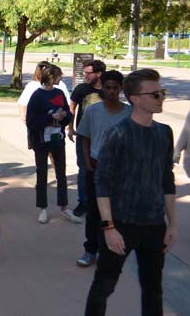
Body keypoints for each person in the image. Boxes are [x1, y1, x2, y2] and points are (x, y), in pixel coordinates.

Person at [85, 69, 177, 316]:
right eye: (155, 93)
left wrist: (172, 223)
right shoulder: (118, 133)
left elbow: (167, 179)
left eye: (162, 92)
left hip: (155, 225)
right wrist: (109, 227)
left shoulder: (164, 132)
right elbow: (101, 182)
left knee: (153, 289)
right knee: (104, 286)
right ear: (135, 98)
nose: (161, 98)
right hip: (121, 225)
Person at [75, 70, 130, 268]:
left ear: (121, 89)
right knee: (94, 212)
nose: (111, 91)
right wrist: (88, 164)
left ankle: (113, 250)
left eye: (115, 88)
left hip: (120, 170)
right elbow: (85, 137)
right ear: (103, 88)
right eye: (108, 87)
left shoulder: (129, 113)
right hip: (97, 166)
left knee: (117, 212)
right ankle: (90, 249)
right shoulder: (93, 111)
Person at [26, 64, 81, 225]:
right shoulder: (37, 95)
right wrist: (50, 118)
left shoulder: (59, 93)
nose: (61, 78)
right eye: (59, 75)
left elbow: (67, 114)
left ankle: (64, 207)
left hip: (58, 140)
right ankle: (42, 208)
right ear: (50, 77)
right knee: (42, 174)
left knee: (61, 174)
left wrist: (64, 116)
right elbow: (31, 121)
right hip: (42, 142)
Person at [67, 60, 106, 218]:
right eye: (84, 73)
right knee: (84, 170)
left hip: (104, 137)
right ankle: (83, 203)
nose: (85, 76)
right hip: (84, 136)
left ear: (99, 73)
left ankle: (101, 203)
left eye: (88, 73)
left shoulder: (107, 89)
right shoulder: (82, 89)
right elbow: (71, 107)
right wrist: (70, 128)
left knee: (103, 171)